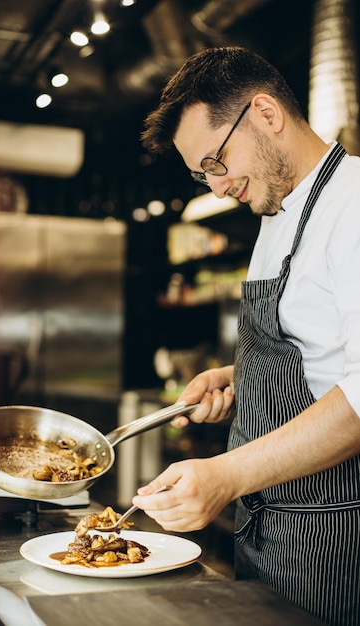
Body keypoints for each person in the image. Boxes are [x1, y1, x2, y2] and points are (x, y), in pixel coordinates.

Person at [131, 46, 360, 626]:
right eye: (202, 173)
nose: (218, 186)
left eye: (217, 161)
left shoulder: (353, 206)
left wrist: (227, 474)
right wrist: (242, 379)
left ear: (265, 112)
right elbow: (320, 356)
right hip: (271, 525)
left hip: (336, 534)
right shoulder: (274, 215)